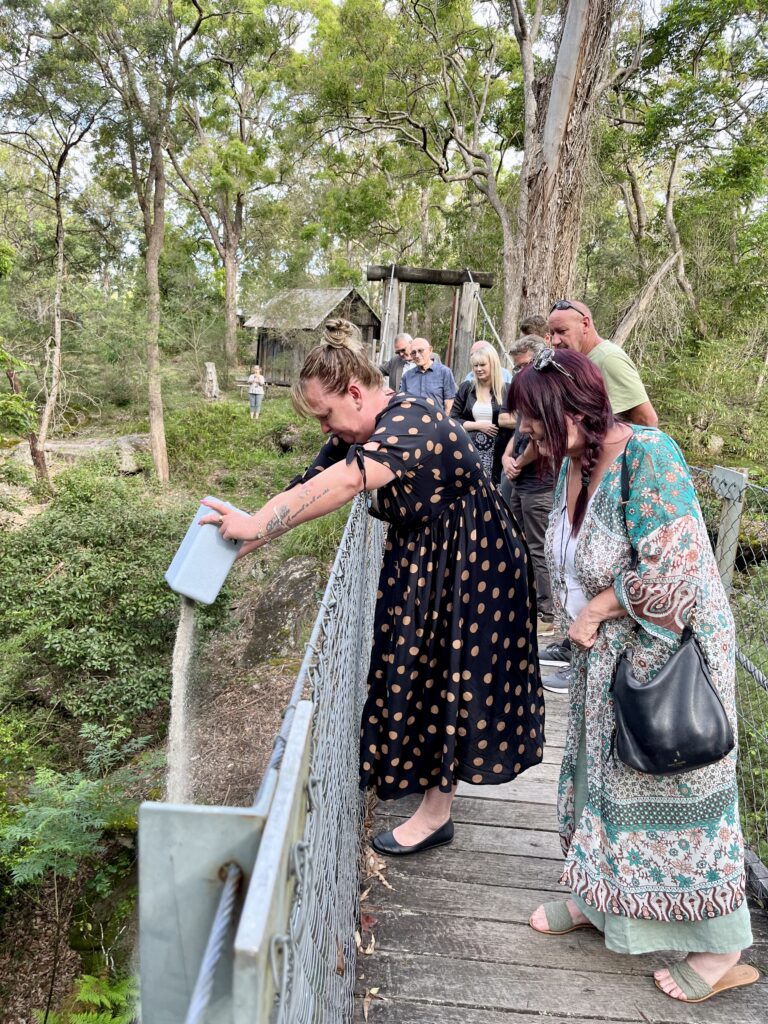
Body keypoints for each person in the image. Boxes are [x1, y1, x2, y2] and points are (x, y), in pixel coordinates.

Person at [201, 319, 544, 855]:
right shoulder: (362, 428)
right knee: (418, 668)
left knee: (445, 676)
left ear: (356, 394)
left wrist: (259, 525)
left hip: (473, 561)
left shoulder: (409, 419)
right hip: (426, 558)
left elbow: (343, 483)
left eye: (325, 415)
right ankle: (429, 790)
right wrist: (256, 529)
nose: (323, 429)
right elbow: (314, 480)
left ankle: (437, 813)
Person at [510, 348, 756, 1004]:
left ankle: (721, 944)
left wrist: (595, 605)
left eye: (536, 421)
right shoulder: (570, 461)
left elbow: (677, 575)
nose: (526, 434)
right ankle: (600, 901)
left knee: (678, 793)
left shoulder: (649, 456)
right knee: (598, 784)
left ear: (575, 410)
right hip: (603, 658)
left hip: (665, 660)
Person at [500, 336, 555, 642]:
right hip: (520, 481)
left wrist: (517, 462)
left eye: (522, 365)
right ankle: (528, 602)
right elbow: (520, 432)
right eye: (516, 366)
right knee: (519, 544)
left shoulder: (545, 393)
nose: (518, 372)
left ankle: (547, 614)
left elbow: (538, 442)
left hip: (539, 485)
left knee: (538, 548)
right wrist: (508, 457)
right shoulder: (525, 390)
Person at [547, 300, 658, 427]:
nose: (555, 341)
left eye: (562, 331)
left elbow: (647, 420)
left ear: (585, 324)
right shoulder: (577, 360)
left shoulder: (608, 359)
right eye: (552, 334)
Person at [452, 344, 512, 484]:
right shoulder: (466, 388)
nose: (478, 369)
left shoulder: (507, 390)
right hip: (469, 451)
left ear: (493, 364)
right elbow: (452, 419)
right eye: (475, 366)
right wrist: (477, 425)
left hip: (499, 452)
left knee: (496, 492)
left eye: (482, 365)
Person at [400, 337, 457, 413]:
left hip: (437, 421)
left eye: (420, 351)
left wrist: (445, 422)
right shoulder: (407, 376)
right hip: (413, 420)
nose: (417, 355)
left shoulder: (444, 372)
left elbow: (449, 402)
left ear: (430, 350)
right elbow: (402, 401)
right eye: (413, 352)